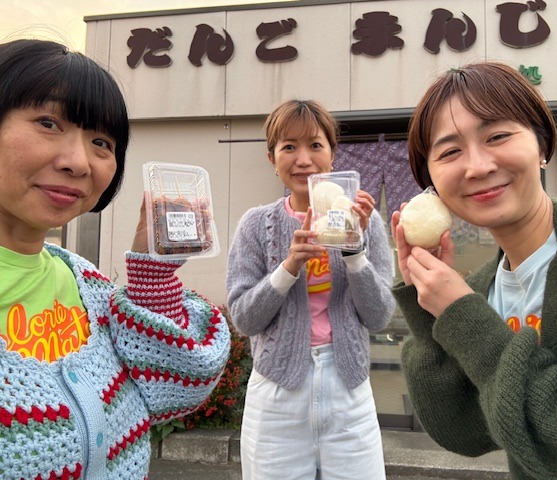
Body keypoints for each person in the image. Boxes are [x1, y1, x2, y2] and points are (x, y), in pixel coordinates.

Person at [391, 61, 557, 479]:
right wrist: (430, 309)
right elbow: (461, 430)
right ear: (431, 183)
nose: (477, 166)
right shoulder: (478, 290)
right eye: (450, 152)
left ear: (542, 145)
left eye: (498, 136)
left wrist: (462, 314)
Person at [0, 39, 230, 480]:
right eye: (48, 123)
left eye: (101, 142)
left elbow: (177, 388)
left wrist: (152, 274)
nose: (79, 162)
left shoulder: (86, 283)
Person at [226, 99, 396, 479]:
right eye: (289, 147)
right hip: (277, 391)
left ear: (332, 155)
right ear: (272, 158)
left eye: (315, 145)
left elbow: (380, 315)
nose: (303, 159)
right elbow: (244, 320)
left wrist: (354, 251)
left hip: (348, 385)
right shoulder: (256, 225)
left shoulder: (365, 221)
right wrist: (288, 268)